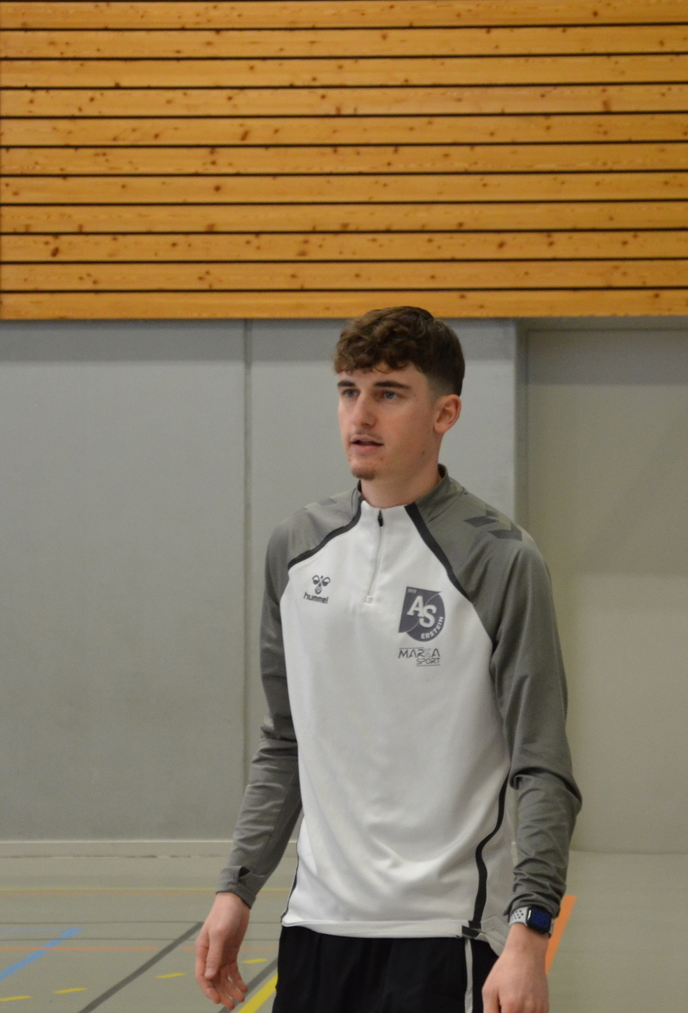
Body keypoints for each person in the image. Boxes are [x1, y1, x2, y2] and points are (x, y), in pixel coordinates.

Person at [192, 307, 581, 1013]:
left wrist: (529, 932)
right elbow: (285, 743)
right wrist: (236, 888)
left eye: (389, 393)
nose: (361, 414)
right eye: (349, 391)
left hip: (448, 935)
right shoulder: (295, 550)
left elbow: (542, 765)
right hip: (316, 929)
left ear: (444, 413)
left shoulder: (500, 560)